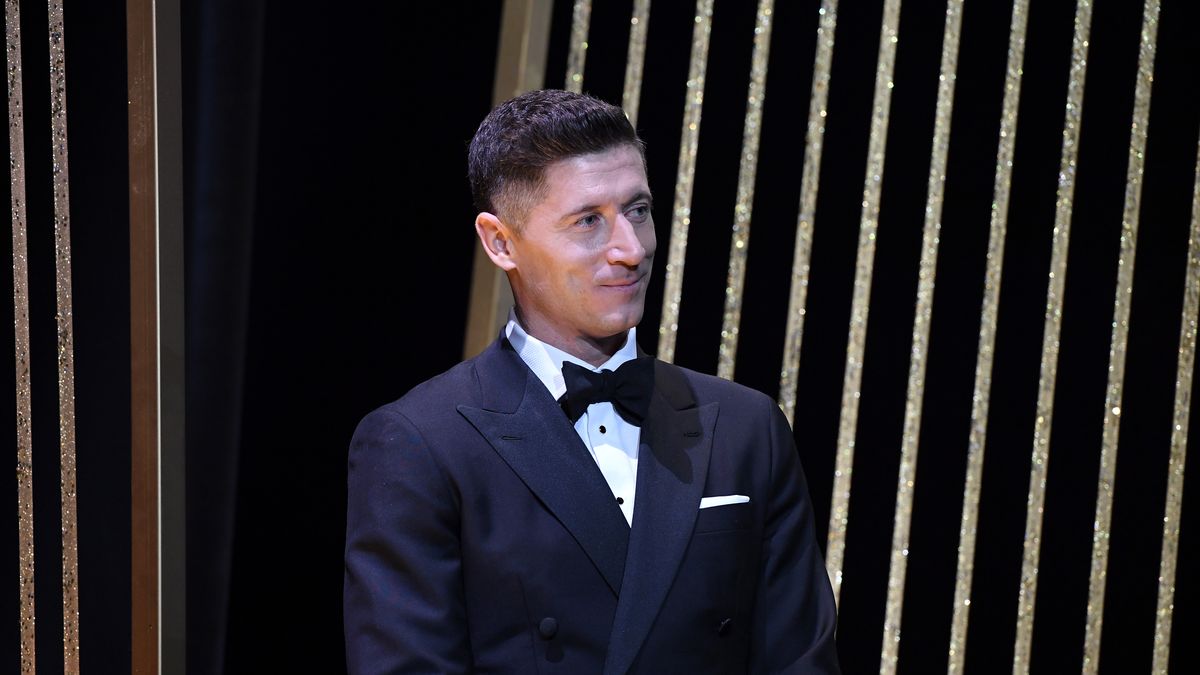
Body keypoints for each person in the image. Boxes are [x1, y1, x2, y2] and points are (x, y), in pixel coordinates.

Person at [343, 89, 839, 674]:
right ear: (500, 242)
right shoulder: (420, 444)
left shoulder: (747, 428)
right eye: (588, 222)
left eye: (638, 211)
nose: (632, 250)